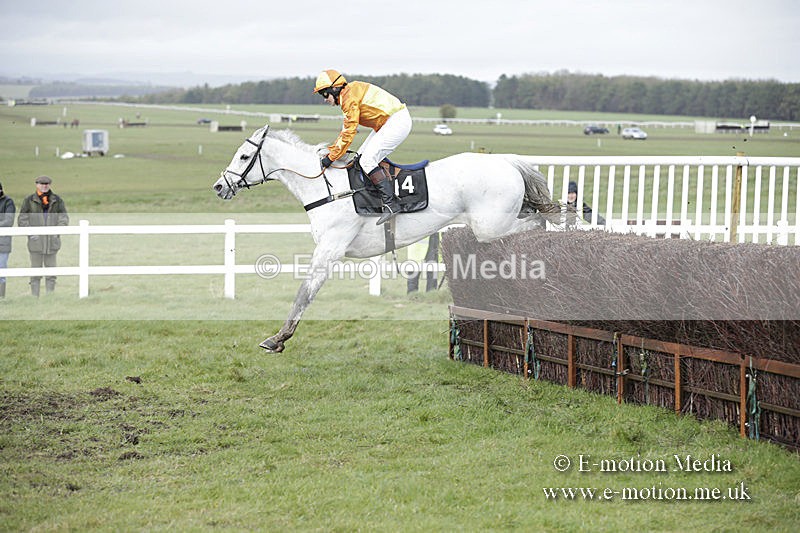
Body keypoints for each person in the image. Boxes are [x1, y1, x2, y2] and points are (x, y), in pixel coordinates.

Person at [314, 69, 412, 225]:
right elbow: (345, 131)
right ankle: (374, 197)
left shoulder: (349, 98)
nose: (324, 99)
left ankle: (391, 203)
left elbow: (349, 133)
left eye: (324, 94)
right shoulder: (348, 93)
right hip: (387, 122)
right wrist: (332, 152)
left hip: (396, 122)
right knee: (359, 159)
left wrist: (331, 158)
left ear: (334, 88)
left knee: (367, 161)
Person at [17, 176, 69, 296]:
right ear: (37, 185)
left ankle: (49, 296)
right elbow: (22, 219)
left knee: (51, 273)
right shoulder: (29, 200)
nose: (44, 186)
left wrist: (57, 232)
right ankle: (35, 297)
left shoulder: (57, 200)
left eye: (47, 184)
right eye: (42, 184)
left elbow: (64, 217)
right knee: (35, 272)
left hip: (52, 242)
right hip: (36, 243)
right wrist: (31, 233)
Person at [0, 181, 15, 298]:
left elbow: (8, 221)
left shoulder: (8, 202)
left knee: (1, 271)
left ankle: (1, 297)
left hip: (2, 243)